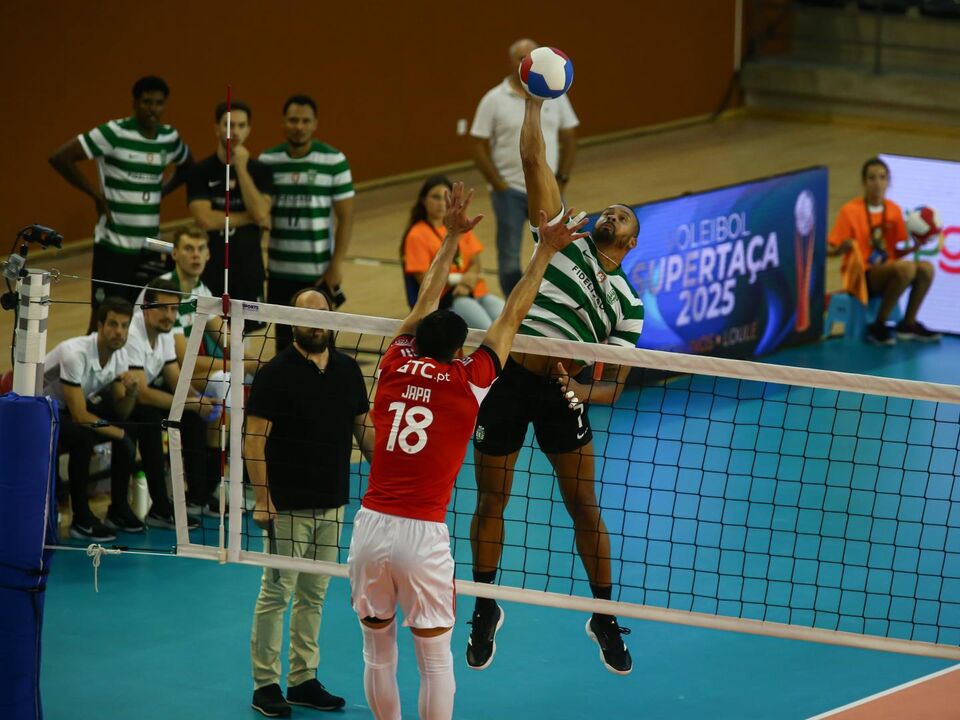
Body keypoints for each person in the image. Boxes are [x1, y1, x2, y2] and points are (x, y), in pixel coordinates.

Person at [347, 181, 588, 720]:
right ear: (458, 350)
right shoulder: (469, 380)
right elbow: (511, 319)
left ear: (417, 339)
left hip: (370, 524)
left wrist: (450, 237)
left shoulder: (392, 363)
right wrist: (546, 249)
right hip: (421, 533)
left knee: (377, 650)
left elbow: (425, 300)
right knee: (434, 660)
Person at [467, 91, 644, 676]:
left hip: (558, 395)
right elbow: (534, 161)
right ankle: (486, 604)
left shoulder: (628, 301)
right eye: (608, 208)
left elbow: (612, 385)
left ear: (631, 241)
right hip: (509, 378)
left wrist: (580, 392)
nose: (610, 213)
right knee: (493, 497)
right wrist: (538, 105)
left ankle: (603, 613)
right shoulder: (561, 234)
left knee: (583, 506)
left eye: (622, 215)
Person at [245, 286, 374, 718]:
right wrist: (262, 500)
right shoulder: (274, 374)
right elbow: (254, 441)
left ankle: (302, 679)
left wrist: (399, 471)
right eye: (306, 315)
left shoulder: (348, 371)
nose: (316, 321)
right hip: (287, 507)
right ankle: (265, 684)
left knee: (314, 596)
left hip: (334, 504)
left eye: (322, 313)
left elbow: (365, 431)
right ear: (290, 321)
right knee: (276, 593)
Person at [49, 76, 194, 322]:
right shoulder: (113, 133)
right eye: (147, 102)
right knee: (105, 317)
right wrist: (95, 196)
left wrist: (163, 192)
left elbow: (188, 165)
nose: (153, 109)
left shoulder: (168, 138)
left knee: (144, 318)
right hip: (113, 246)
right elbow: (60, 157)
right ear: (135, 103)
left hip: (150, 245)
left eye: (159, 103)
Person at [470, 38, 579, 295]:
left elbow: (570, 138)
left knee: (557, 251)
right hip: (509, 192)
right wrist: (499, 184)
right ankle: (513, 306)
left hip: (547, 190)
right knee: (509, 258)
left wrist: (561, 178)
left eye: (531, 55)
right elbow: (476, 145)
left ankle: (551, 300)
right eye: (521, 57)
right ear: (512, 62)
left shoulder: (556, 94)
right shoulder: (494, 99)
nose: (527, 61)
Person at [260, 95, 355, 351]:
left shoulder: (334, 161)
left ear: (315, 124)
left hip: (317, 274)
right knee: (284, 346)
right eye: (293, 120)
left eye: (305, 121)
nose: (299, 126)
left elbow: (346, 217)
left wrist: (336, 265)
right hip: (279, 273)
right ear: (282, 123)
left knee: (321, 345)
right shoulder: (267, 162)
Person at [43, 298, 141, 541]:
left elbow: (122, 412)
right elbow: (79, 416)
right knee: (82, 437)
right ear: (99, 325)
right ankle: (81, 520)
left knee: (130, 425)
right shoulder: (75, 353)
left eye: (124, 326)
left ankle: (118, 509)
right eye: (113, 324)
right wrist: (119, 435)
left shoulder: (120, 354)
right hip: (38, 409)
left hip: (68, 407)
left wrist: (131, 392)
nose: (118, 331)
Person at [125, 278, 217, 528]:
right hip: (114, 401)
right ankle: (160, 509)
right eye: (163, 308)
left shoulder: (165, 331)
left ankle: (196, 497)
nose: (169, 315)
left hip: (138, 397)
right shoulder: (132, 333)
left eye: (174, 309)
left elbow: (175, 379)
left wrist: (200, 400)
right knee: (151, 420)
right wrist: (190, 403)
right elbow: (142, 394)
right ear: (145, 307)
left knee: (193, 417)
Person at [828, 157, 941, 346]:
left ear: (889, 181)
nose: (877, 183)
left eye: (882, 177)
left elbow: (894, 253)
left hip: (886, 270)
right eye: (872, 178)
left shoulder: (893, 210)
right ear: (864, 182)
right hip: (859, 276)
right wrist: (841, 249)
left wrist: (915, 246)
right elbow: (829, 251)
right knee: (906, 269)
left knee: (926, 268)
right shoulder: (850, 211)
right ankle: (878, 325)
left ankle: (908, 324)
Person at [187, 100, 273, 302]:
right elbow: (205, 220)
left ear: (249, 130)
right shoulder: (199, 172)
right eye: (228, 125)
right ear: (216, 128)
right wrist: (250, 218)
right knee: (212, 331)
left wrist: (241, 169)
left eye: (241, 126)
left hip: (249, 271)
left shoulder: (261, 171)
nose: (235, 132)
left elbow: (261, 213)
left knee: (248, 333)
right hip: (210, 271)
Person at [402, 174, 505, 329]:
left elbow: (475, 263)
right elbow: (425, 281)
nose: (442, 203)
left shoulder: (459, 224)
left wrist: (470, 277)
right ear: (423, 200)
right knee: (490, 331)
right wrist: (460, 280)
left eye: (447, 198)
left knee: (511, 322)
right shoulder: (416, 235)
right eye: (435, 197)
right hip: (447, 299)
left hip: (475, 292)